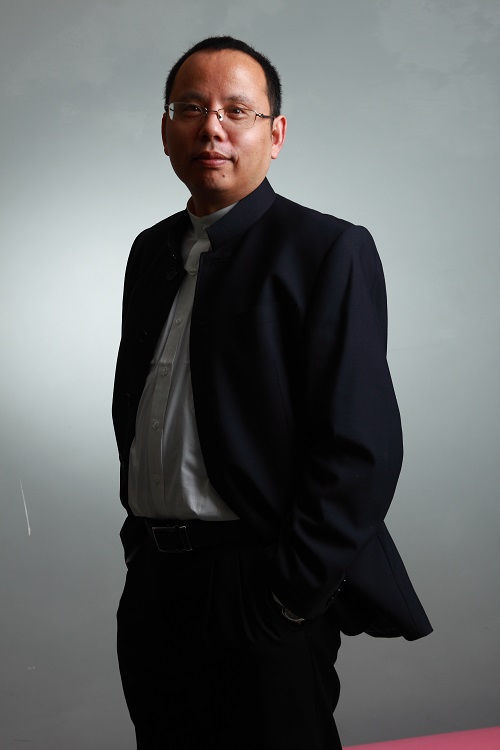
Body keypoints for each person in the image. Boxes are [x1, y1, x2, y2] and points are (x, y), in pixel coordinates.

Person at [112, 36, 432, 750]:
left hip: (257, 588)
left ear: (276, 133)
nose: (211, 128)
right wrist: (139, 550)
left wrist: (288, 596)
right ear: (166, 129)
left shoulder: (326, 249)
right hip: (157, 583)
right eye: (190, 109)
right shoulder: (150, 251)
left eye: (236, 110)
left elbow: (362, 447)